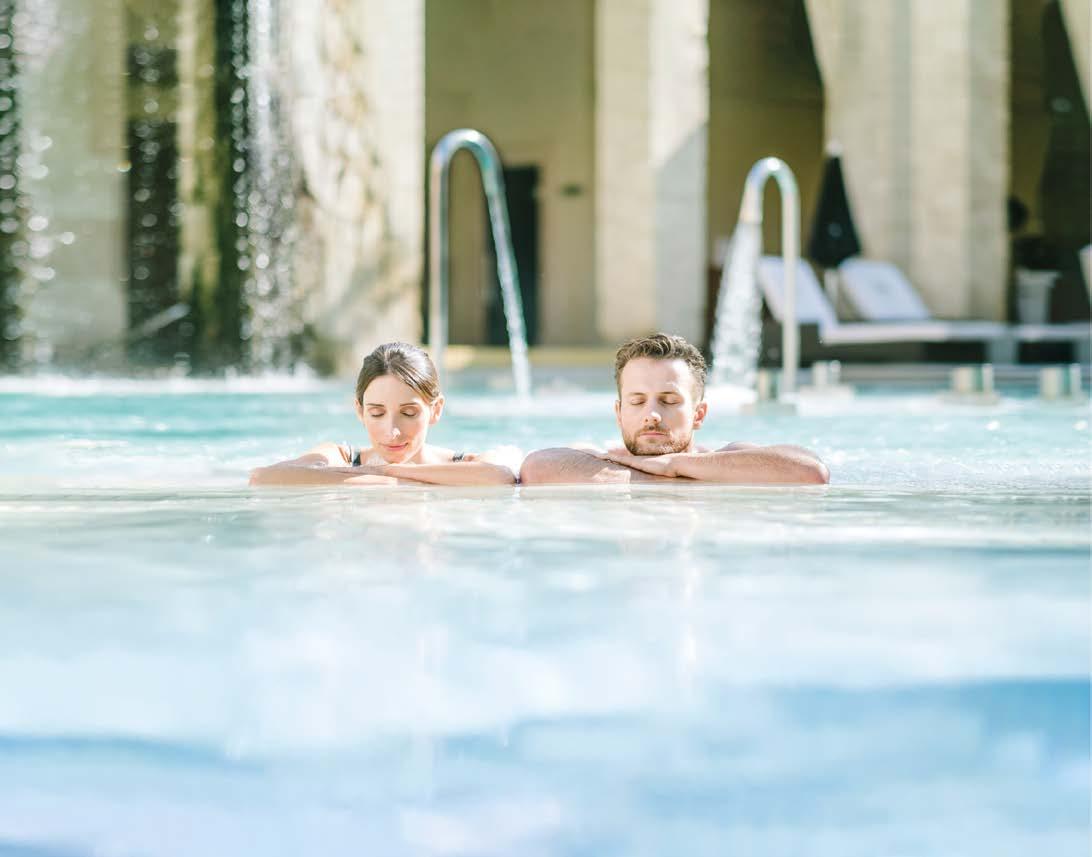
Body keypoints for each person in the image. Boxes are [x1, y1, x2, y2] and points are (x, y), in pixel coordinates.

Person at [519, 333, 828, 485]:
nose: (652, 414)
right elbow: (536, 467)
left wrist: (676, 464)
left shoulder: (724, 456)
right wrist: (658, 475)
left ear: (698, 414)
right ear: (619, 413)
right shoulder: (599, 458)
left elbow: (810, 471)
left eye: (668, 401)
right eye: (637, 401)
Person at [249, 342, 517, 487]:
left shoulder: (465, 462)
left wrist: (389, 471)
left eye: (409, 413)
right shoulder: (343, 458)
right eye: (377, 413)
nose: (392, 432)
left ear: (435, 410)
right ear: (359, 411)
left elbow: (499, 476)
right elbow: (263, 478)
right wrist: (381, 474)